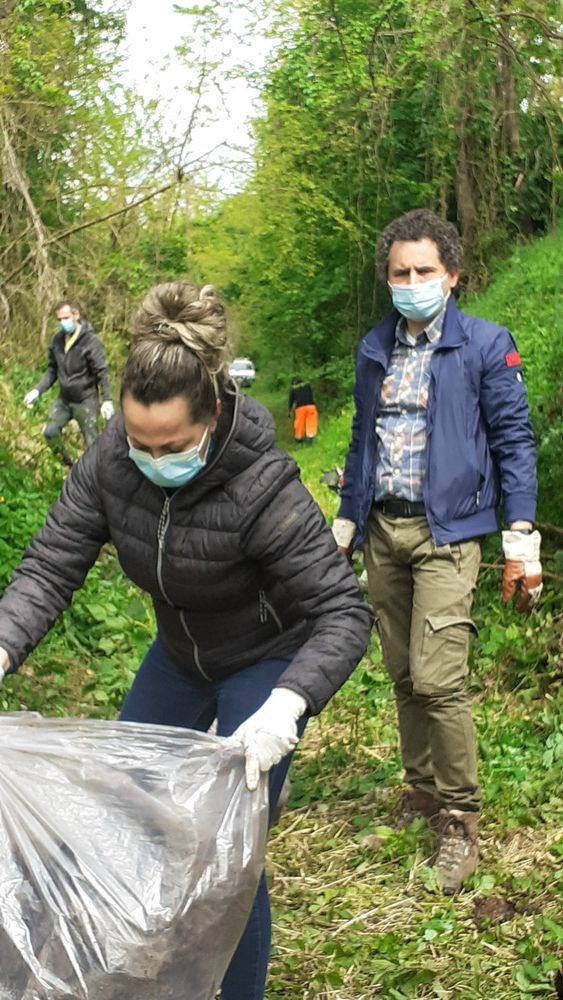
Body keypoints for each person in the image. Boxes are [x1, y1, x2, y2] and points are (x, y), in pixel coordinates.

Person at [0, 281, 372, 999]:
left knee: (225, 851)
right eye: (139, 443)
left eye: (171, 446)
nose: (151, 458)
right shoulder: (112, 460)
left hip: (261, 663)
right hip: (178, 655)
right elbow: (51, 564)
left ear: (211, 417)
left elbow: (342, 611)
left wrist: (287, 704)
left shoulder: (260, 485)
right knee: (116, 809)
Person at [332, 209, 542, 895]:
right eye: (401, 272)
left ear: (452, 275)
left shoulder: (484, 346)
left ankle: (459, 815)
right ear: (387, 278)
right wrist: (345, 520)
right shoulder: (374, 349)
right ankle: (420, 793)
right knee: (400, 672)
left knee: (438, 679)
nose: (413, 282)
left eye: (425, 270)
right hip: (383, 532)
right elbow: (363, 437)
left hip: (448, 533)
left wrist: (520, 537)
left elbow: (513, 443)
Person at [23, 300, 114, 466]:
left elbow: (101, 371)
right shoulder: (57, 341)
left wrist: (107, 399)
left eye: (65, 317)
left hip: (86, 399)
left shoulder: (90, 341)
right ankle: (70, 468)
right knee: (50, 433)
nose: (62, 322)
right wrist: (37, 390)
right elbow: (52, 371)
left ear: (76, 315)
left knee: (92, 444)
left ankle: (95, 480)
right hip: (64, 400)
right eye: (59, 319)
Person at [288, 375, 318, 444]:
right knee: (311, 423)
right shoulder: (307, 386)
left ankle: (299, 441)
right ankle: (311, 438)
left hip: (300, 408)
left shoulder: (293, 389)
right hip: (311, 406)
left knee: (299, 424)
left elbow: (291, 401)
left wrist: (289, 411)